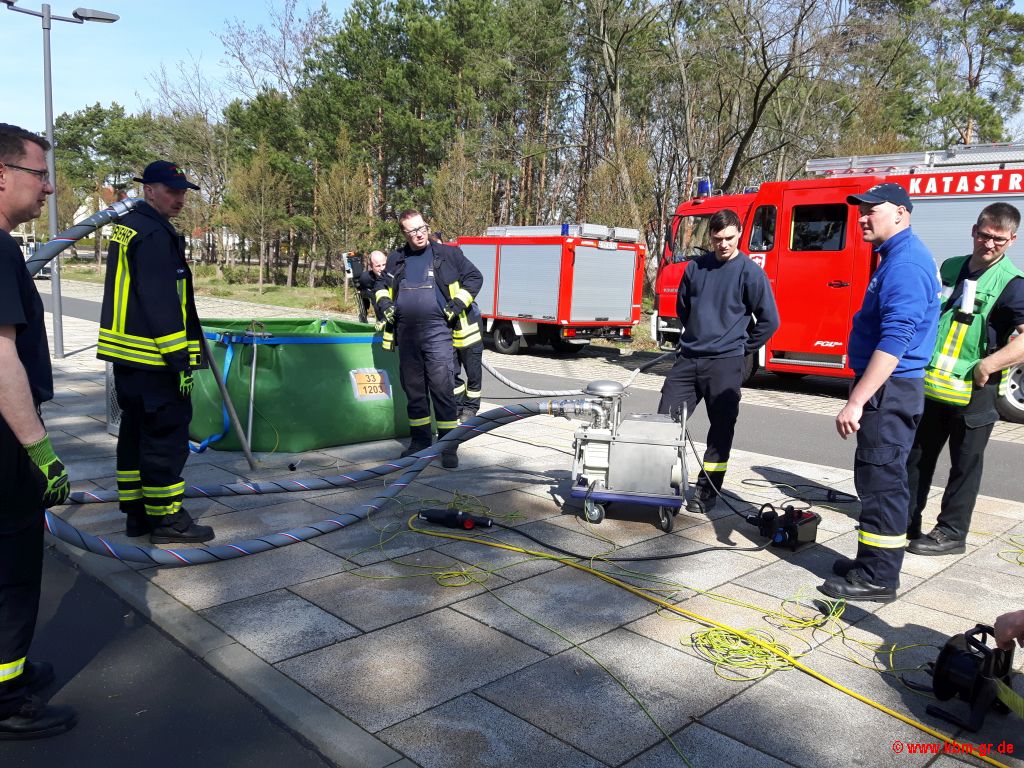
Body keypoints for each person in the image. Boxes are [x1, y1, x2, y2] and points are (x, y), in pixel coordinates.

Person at [820, 182, 940, 603]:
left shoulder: (905, 263)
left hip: (890, 392)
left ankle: (878, 577)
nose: (863, 216)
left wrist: (856, 400)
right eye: (861, 210)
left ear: (902, 214)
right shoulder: (895, 257)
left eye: (873, 209)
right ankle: (869, 561)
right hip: (889, 391)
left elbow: (896, 339)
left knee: (884, 482)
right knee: (876, 477)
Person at [0, 123, 76, 738]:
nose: (48, 188)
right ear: (2, 175)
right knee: (13, 571)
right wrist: (41, 451)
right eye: (39, 173)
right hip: (4, 446)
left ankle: (13, 672)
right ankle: (7, 700)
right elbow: (1, 359)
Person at [97, 161, 213, 544]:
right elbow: (161, 300)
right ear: (148, 189)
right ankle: (167, 521)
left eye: (183, 192)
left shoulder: (129, 228)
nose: (179, 198)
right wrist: (180, 358)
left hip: (129, 358)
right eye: (171, 190)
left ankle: (137, 514)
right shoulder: (153, 233)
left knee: (135, 435)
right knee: (165, 438)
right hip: (155, 359)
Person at [906, 203, 1024, 555]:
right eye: (985, 235)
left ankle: (951, 533)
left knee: (965, 464)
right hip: (933, 386)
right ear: (974, 230)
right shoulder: (952, 267)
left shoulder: (1013, 285)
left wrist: (988, 365)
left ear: (1011, 241)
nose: (989, 244)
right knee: (916, 458)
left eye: (998, 240)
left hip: (976, 393)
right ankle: (906, 521)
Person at [657, 209, 780, 512]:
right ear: (709, 237)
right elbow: (684, 310)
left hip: (725, 364)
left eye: (729, 238)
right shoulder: (695, 269)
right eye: (717, 238)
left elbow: (769, 321)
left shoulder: (750, 272)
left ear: (740, 233)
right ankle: (665, 486)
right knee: (664, 422)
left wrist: (739, 346)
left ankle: (707, 490)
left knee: (721, 429)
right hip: (688, 360)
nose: (723, 244)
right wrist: (698, 336)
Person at [374, 210, 482, 468]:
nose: (419, 234)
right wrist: (385, 303)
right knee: (415, 394)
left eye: (422, 228)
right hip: (407, 335)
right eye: (412, 231)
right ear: (404, 233)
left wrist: (458, 303)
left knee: (443, 391)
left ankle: (448, 446)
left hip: (438, 334)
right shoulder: (396, 259)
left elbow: (475, 277)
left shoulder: (449, 254)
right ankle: (420, 442)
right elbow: (379, 286)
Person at [428, 231, 484, 421]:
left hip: (468, 328)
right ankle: (458, 405)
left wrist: (456, 305)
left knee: (473, 374)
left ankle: (471, 408)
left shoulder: (453, 260)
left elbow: (475, 279)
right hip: (445, 332)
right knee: (451, 374)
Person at [355, 250, 388, 324]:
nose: (382, 269)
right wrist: (364, 314)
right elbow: (362, 296)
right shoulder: (365, 279)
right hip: (379, 320)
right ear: (371, 266)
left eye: (384, 264)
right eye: (378, 266)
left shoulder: (393, 276)